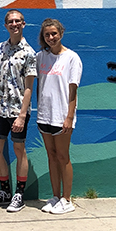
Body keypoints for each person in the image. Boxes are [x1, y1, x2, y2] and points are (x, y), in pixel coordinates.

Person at [0, 9, 37, 213]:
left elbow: (28, 87)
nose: (14, 24)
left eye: (17, 21)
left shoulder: (29, 53)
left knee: (18, 150)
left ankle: (19, 195)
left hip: (18, 111)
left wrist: (22, 115)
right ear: (5, 25)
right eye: (10, 21)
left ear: (23, 24)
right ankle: (5, 192)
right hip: (0, 109)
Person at [36, 18, 82, 215]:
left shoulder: (72, 58)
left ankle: (67, 199)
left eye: (54, 33)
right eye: (47, 34)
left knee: (63, 156)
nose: (51, 37)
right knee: (51, 156)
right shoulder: (41, 57)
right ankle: (55, 197)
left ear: (61, 34)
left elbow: (73, 90)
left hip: (62, 116)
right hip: (44, 115)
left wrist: (69, 117)